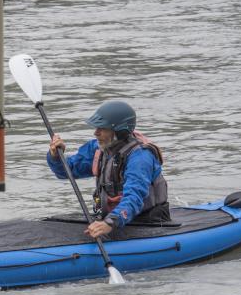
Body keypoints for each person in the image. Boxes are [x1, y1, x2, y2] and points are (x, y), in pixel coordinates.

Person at [47, 100, 170, 238]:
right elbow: (66, 172)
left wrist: (110, 223)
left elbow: (134, 197)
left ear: (119, 131)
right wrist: (56, 156)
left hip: (147, 221)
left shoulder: (140, 157)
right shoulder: (99, 148)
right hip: (115, 218)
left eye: (102, 128)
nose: (96, 133)